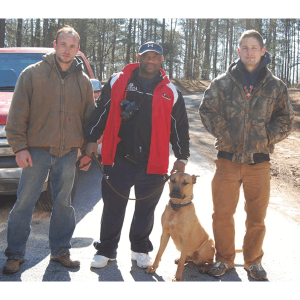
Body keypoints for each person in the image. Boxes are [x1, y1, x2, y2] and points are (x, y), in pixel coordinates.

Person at [199, 30, 294, 281]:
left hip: (258, 163)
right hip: (227, 160)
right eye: (244, 47)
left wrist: (265, 137)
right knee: (222, 214)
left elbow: (285, 119)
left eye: (254, 47)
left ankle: (253, 261)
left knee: (256, 217)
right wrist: (225, 132)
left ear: (263, 51)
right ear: (238, 51)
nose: (249, 51)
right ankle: (224, 259)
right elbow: (207, 110)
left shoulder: (276, 86)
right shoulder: (222, 82)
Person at [85, 41, 190, 269]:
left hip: (154, 162)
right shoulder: (118, 81)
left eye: (155, 56)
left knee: (145, 209)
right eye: (146, 56)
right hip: (119, 157)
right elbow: (101, 110)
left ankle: (140, 249)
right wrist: (92, 139)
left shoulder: (170, 91)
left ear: (161, 60)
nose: (150, 60)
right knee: (113, 207)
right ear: (138, 57)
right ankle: (106, 250)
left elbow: (179, 126)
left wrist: (182, 157)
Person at [2, 26, 95, 274]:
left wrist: (87, 151)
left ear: (78, 49)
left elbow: (89, 119)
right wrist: (19, 147)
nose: (67, 50)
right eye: (63, 44)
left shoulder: (83, 81)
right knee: (24, 202)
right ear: (55, 44)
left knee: (63, 204)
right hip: (36, 150)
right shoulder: (32, 74)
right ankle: (15, 254)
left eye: (73, 46)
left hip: (68, 153)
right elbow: (17, 115)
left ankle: (60, 251)